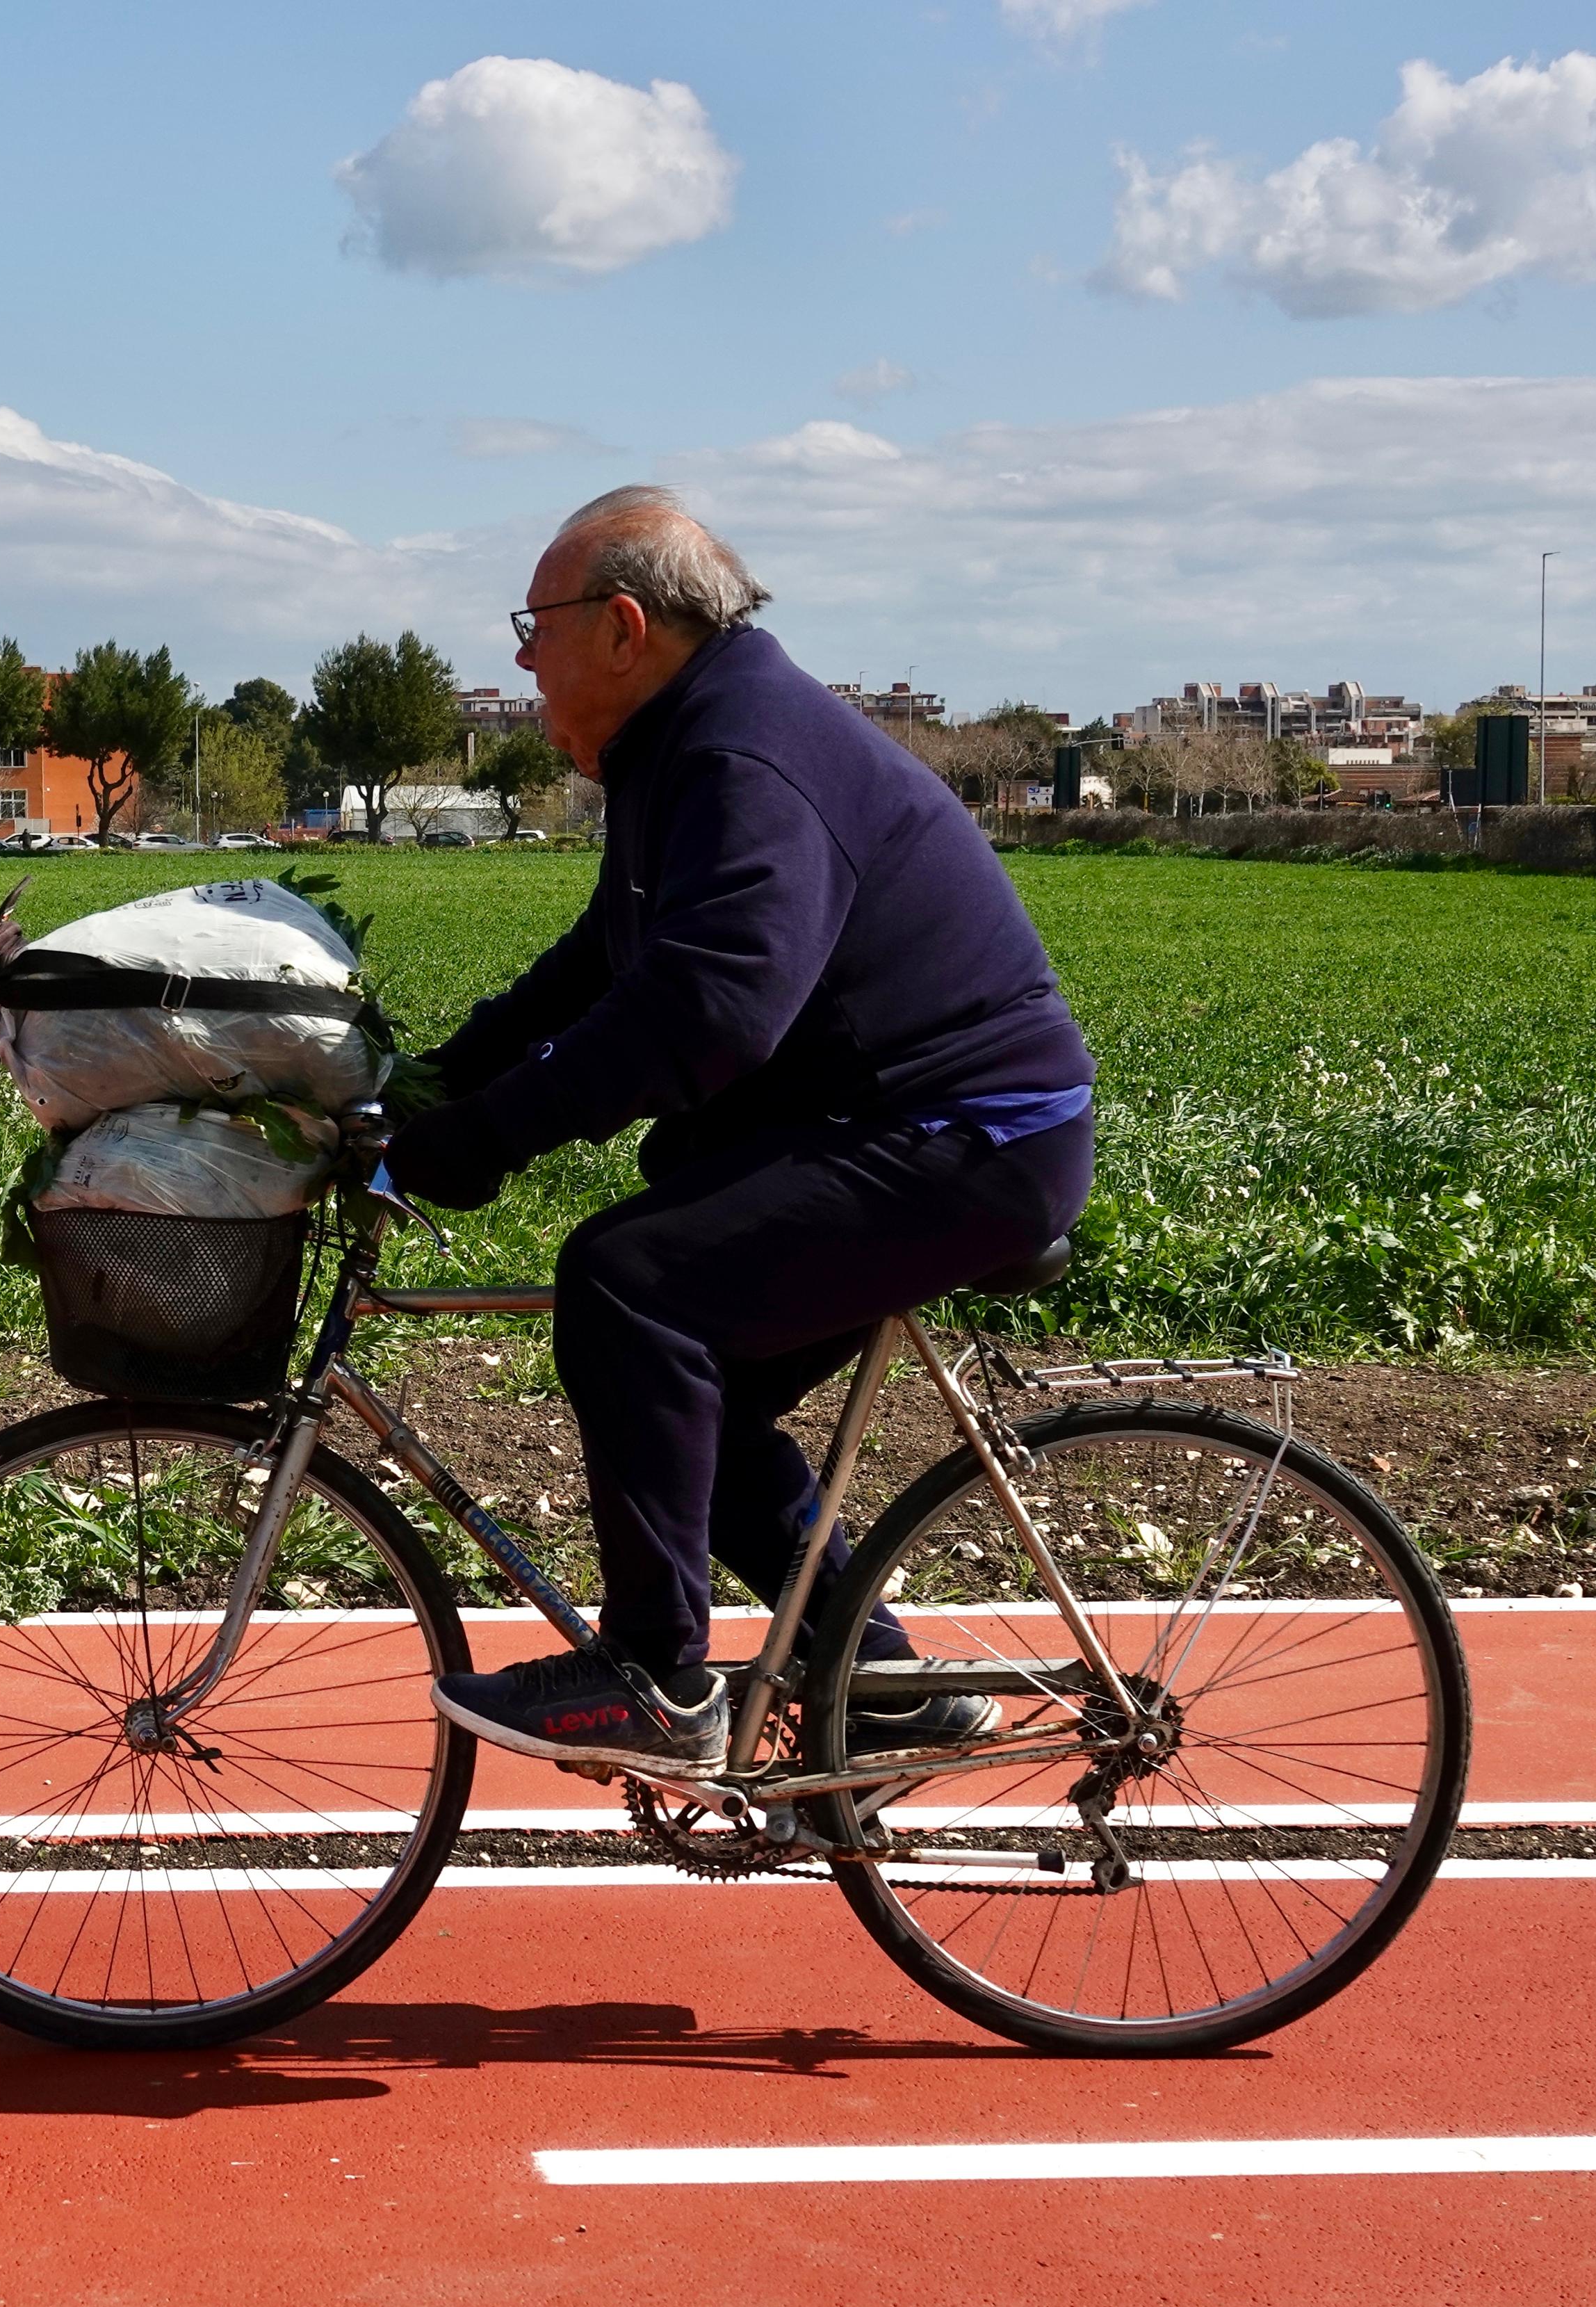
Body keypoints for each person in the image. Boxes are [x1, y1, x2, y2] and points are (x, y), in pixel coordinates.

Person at [382, 487, 1095, 1778]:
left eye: (531, 626)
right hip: (904, 1121)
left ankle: (657, 1675)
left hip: (971, 1131)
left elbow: (711, 1010)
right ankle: (881, 1687)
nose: (522, 656)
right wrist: (435, 1082)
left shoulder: (741, 753)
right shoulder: (684, 743)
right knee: (685, 1416)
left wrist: (493, 1137)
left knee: (627, 1283)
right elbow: (605, 961)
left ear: (622, 627)